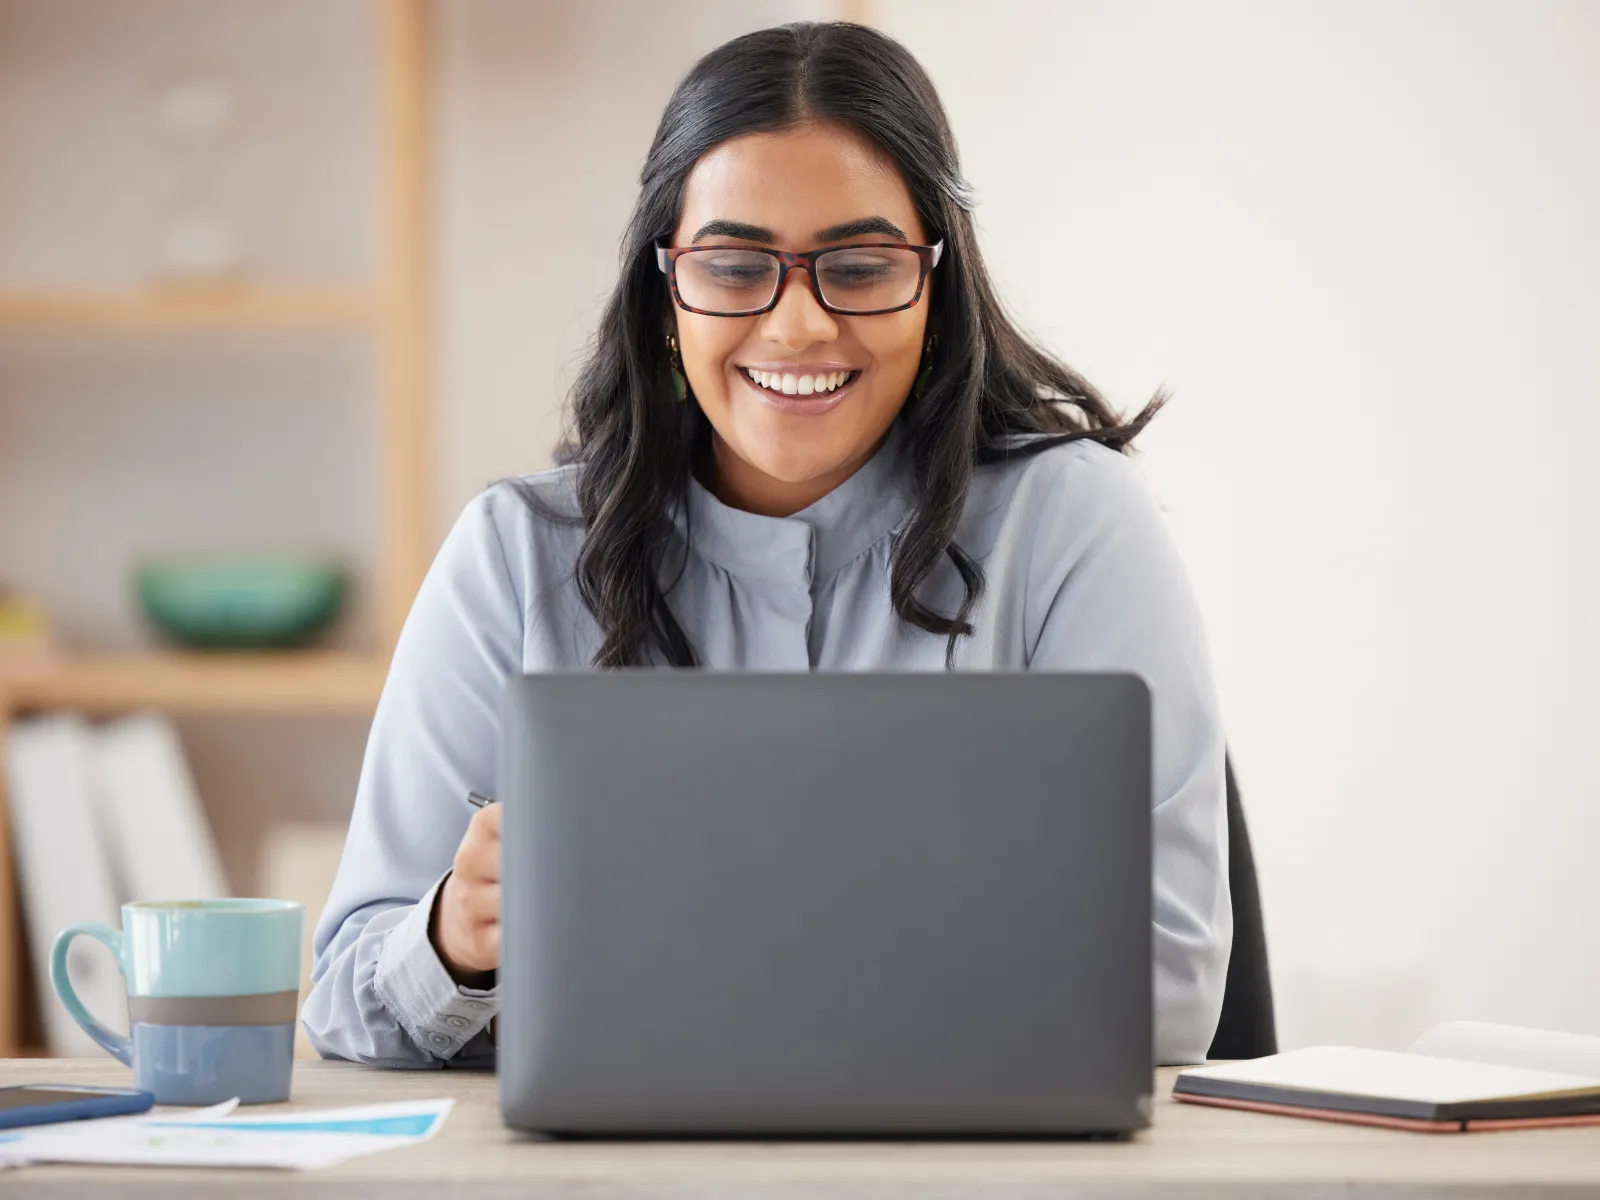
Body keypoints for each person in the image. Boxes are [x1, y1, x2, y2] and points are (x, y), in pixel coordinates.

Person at [303, 20, 1231, 1070]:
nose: (797, 327)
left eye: (861, 266)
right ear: (665, 295)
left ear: (937, 288)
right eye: (736, 266)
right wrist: (452, 942)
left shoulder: (1071, 524)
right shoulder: (513, 556)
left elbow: (1167, 986)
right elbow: (345, 998)